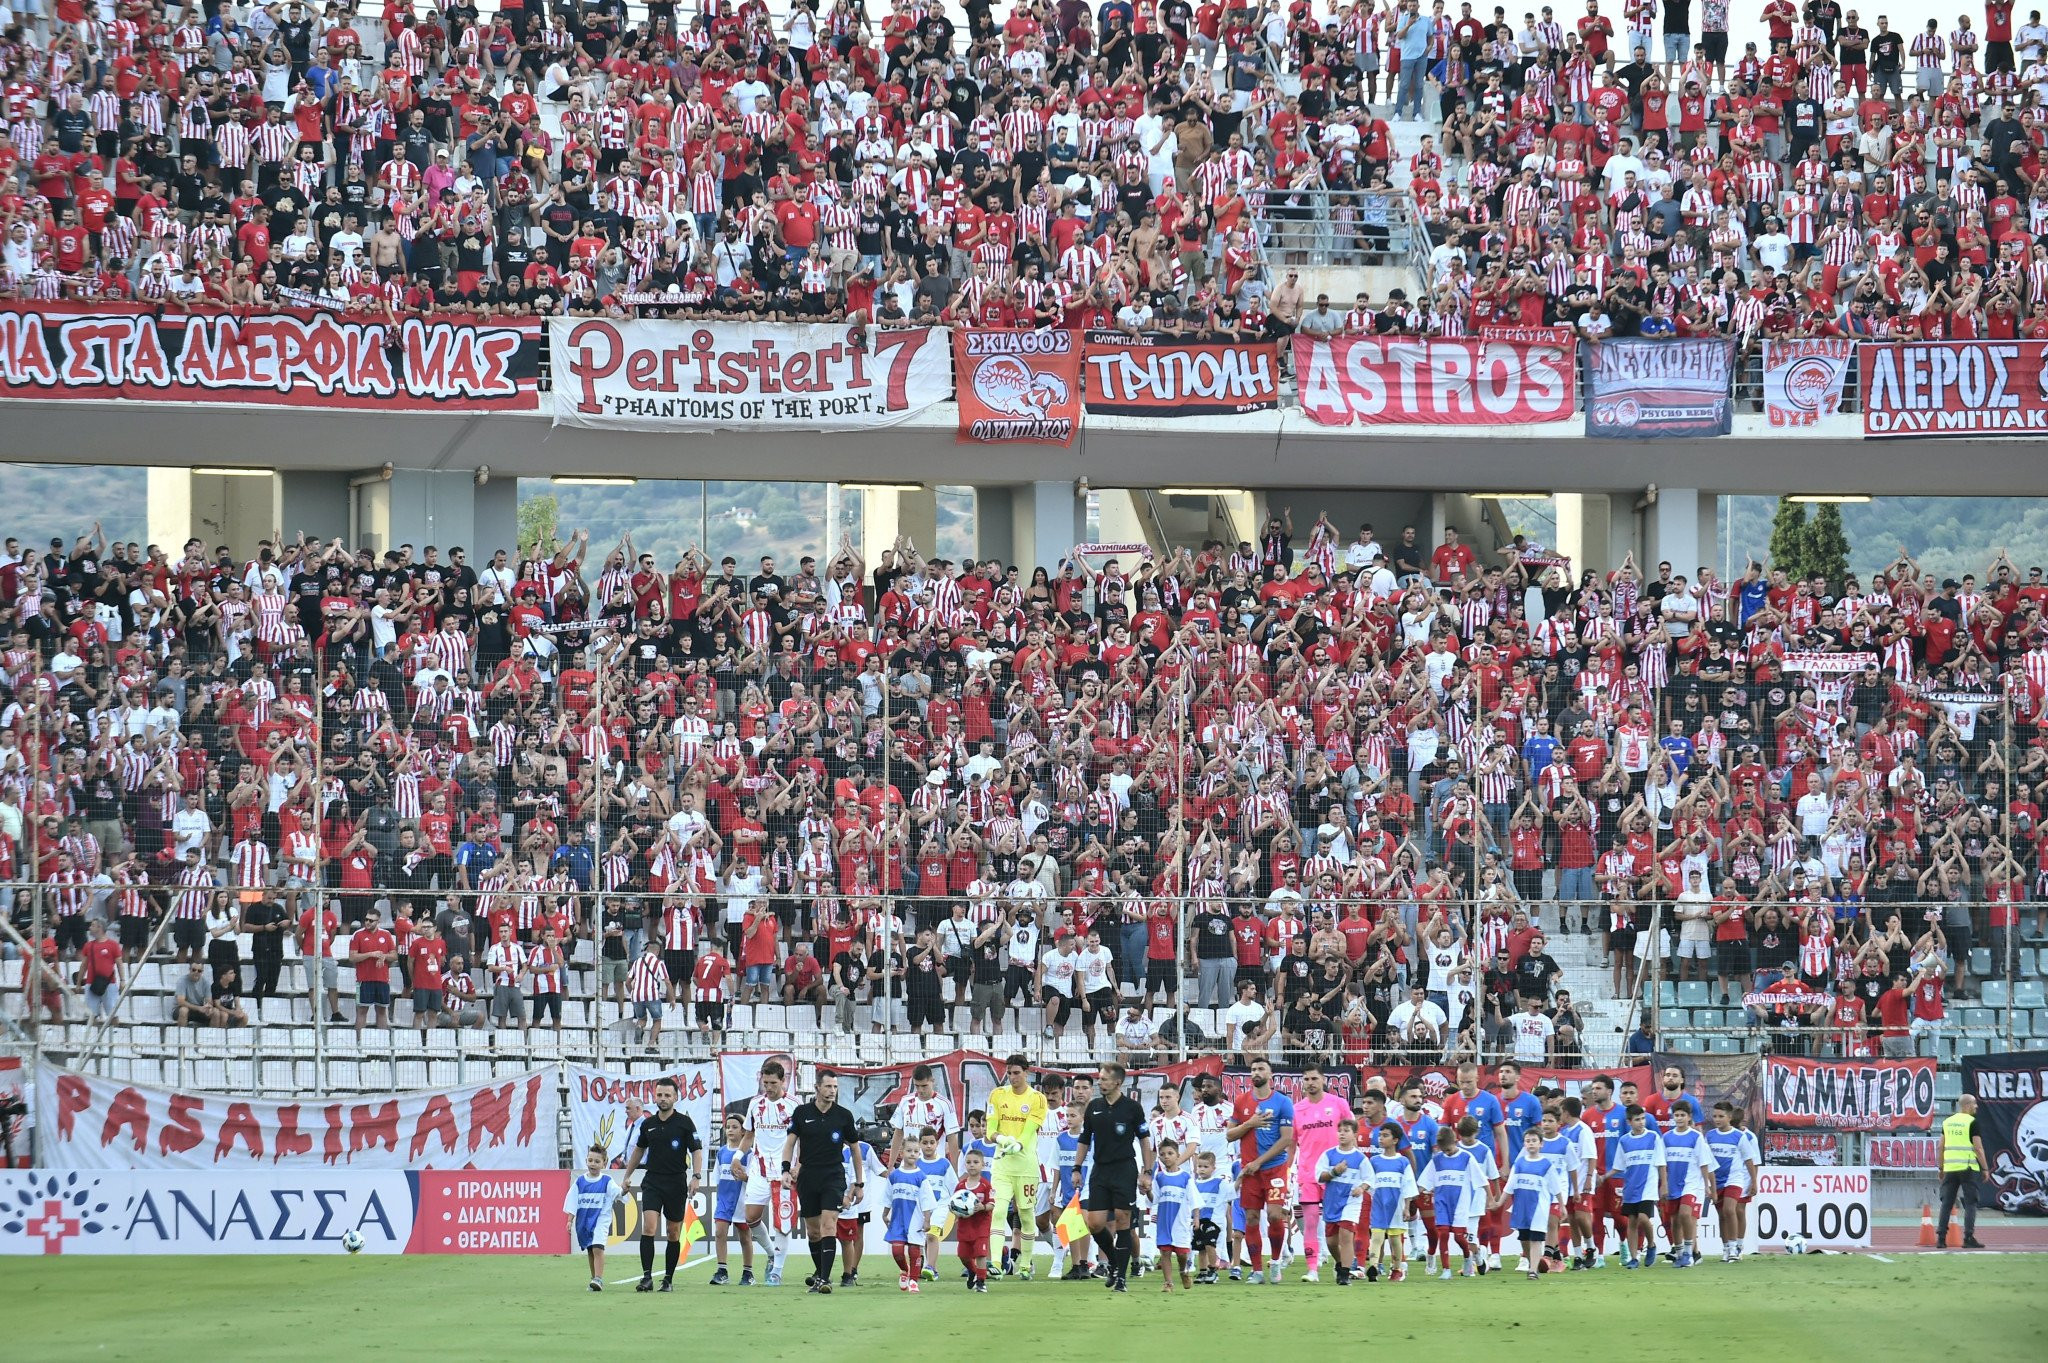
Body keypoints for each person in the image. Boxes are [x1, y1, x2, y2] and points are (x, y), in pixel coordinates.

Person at [620, 1076, 704, 1293]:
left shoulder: (684, 1123)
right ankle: (646, 1277)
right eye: (660, 1095)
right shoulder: (648, 1124)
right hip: (653, 1181)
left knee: (673, 1232)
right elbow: (639, 1149)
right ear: (654, 1097)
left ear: (675, 1097)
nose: (663, 1099)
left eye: (667, 1095)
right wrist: (627, 1175)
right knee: (648, 1227)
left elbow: (696, 1150)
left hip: (676, 1182)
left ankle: (668, 1279)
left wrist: (696, 1176)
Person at [1075, 1061, 1154, 1293]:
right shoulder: (1093, 1107)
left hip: (1124, 1169)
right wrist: (1077, 1168)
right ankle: (1114, 1264)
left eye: (1104, 1079)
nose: (1100, 1082)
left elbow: (1144, 1140)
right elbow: (1084, 1139)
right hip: (1100, 1170)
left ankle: (1121, 1277)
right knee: (1095, 1223)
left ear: (1117, 1082)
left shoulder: (1132, 1108)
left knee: (1122, 1221)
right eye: (1099, 1079)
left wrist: (1147, 1172)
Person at [787, 1069, 862, 1294]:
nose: (832, 1091)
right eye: (828, 1086)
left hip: (833, 1176)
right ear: (817, 1087)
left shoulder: (843, 1115)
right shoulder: (801, 1113)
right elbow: (790, 1143)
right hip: (808, 1176)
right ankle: (820, 1273)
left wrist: (859, 1183)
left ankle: (825, 1280)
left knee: (829, 1225)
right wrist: (785, 1169)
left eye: (835, 1087)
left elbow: (856, 1150)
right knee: (813, 1232)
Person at [1225, 1056, 1296, 1283]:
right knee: (1252, 1218)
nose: (1256, 1072)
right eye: (1253, 1069)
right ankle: (1257, 1271)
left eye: (1261, 1069)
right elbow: (1229, 1135)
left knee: (1275, 1215)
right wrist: (1250, 1124)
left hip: (1274, 1169)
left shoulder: (1283, 1103)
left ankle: (1275, 1262)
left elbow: (1286, 1140)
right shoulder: (1242, 1101)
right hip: (1250, 1172)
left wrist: (1259, 1161)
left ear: (1270, 1074)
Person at [984, 1053, 1050, 1278]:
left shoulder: (1037, 1098)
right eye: (1009, 1073)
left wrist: (1018, 1144)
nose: (1012, 1077)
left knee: (1026, 1214)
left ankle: (1025, 1264)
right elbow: (990, 1129)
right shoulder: (997, 1095)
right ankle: (994, 1263)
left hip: (1026, 1166)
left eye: (1016, 1073)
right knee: (999, 1210)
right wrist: (1002, 1140)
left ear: (1026, 1072)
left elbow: (1029, 1130)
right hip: (1002, 1164)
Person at [738, 1059, 799, 1285]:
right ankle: (772, 1254)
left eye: (773, 1082)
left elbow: (802, 1140)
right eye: (765, 1082)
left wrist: (797, 1166)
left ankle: (777, 1272)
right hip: (760, 1170)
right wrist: (737, 1157)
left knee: (782, 1222)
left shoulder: (794, 1105)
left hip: (784, 1173)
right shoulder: (755, 1104)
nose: (769, 1087)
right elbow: (749, 1134)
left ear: (783, 1081)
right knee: (751, 1217)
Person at [1496, 1128, 1567, 1281]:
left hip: (1539, 1209)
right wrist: (1500, 1202)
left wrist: (1562, 1204)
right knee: (1524, 1238)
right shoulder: (1519, 1163)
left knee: (1536, 1239)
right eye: (1528, 1141)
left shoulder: (1546, 1165)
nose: (1531, 1144)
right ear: (1524, 1144)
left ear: (1541, 1144)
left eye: (1534, 1140)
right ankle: (1531, 1263)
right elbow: (1510, 1185)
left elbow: (1556, 1187)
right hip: (1521, 1208)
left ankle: (1533, 1270)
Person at [1313, 1118, 1368, 1285]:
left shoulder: (1360, 1158)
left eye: (1346, 1131)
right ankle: (1339, 1264)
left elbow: (1369, 1179)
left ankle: (1344, 1274)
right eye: (1340, 1131)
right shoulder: (1329, 1155)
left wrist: (1362, 1188)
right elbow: (1319, 1176)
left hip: (1351, 1201)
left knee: (1346, 1235)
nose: (1342, 1133)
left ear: (1355, 1135)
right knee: (1331, 1242)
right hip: (1332, 1200)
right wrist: (1334, 1172)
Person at [1704, 1101, 1761, 1262]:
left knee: (1731, 1210)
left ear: (1729, 1117)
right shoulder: (1710, 1136)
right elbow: (1707, 1161)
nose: (1717, 1119)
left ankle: (1736, 1247)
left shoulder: (1740, 1137)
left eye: (1721, 1116)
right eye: (1715, 1116)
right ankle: (1726, 1248)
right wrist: (1709, 1184)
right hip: (1717, 1181)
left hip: (1734, 1179)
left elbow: (1750, 1160)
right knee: (1722, 1215)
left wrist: (1754, 1182)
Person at [1612, 1104, 1668, 1268]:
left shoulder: (1653, 1137)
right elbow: (1619, 1166)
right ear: (1629, 1122)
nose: (1641, 1122)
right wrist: (1605, 1176)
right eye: (1637, 1119)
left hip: (1648, 1186)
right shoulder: (1624, 1140)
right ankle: (1634, 1258)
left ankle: (1651, 1245)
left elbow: (1661, 1163)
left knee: (1643, 1218)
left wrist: (1663, 1184)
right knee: (1632, 1222)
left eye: (1643, 1118)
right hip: (1630, 1186)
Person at [1363, 1121, 1419, 1281]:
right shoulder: (1374, 1161)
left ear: (1395, 1140)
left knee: (1395, 1239)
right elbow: (1369, 1182)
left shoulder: (1402, 1162)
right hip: (1379, 1204)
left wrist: (1407, 1207)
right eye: (1380, 1135)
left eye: (1385, 1135)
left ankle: (1397, 1269)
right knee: (1377, 1236)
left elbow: (1408, 1185)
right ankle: (1373, 1267)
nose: (1381, 1138)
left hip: (1397, 1205)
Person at [565, 1144, 624, 1291]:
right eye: (590, 1160)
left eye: (597, 1161)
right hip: (584, 1221)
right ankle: (594, 1279)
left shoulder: (606, 1181)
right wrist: (569, 1220)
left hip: (600, 1220)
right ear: (586, 1160)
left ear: (604, 1163)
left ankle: (598, 1279)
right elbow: (572, 1201)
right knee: (591, 1249)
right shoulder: (580, 1182)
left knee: (598, 1247)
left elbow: (617, 1193)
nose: (593, 1164)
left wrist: (625, 1190)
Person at [1935, 1093, 1988, 1249]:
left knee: (1947, 1203)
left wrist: (1941, 1167)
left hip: (1950, 1169)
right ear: (1966, 1106)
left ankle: (1941, 1239)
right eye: (1974, 1104)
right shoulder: (1972, 1122)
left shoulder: (1948, 1122)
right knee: (1971, 1203)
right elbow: (1978, 1148)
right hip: (1967, 1167)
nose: (1976, 1106)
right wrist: (1985, 1168)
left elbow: (1940, 1146)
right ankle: (1968, 1238)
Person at [885, 1145, 936, 1292]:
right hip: (897, 1220)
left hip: (916, 1219)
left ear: (918, 1154)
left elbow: (927, 1200)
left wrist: (927, 1219)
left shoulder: (921, 1177)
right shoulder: (894, 1175)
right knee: (897, 1251)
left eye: (915, 1152)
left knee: (914, 1250)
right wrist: (884, 1214)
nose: (912, 1154)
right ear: (902, 1153)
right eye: (909, 1151)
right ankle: (904, 1270)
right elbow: (888, 1196)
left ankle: (913, 1281)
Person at [707, 1113, 750, 1285]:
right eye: (728, 1127)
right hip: (724, 1201)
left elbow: (754, 1178)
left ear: (743, 1131)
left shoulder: (749, 1153)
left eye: (735, 1127)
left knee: (745, 1237)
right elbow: (716, 1178)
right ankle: (722, 1270)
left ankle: (748, 1272)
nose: (730, 1130)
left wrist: (744, 1177)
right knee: (719, 1233)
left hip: (742, 1201)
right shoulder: (722, 1152)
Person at [1152, 1139, 1197, 1292]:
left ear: (1178, 1155)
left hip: (1180, 1222)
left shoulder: (1185, 1177)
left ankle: (1183, 1271)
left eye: (1170, 1153)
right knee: (1165, 1252)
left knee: (1181, 1254)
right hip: (1164, 1222)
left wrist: (1196, 1217)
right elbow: (1154, 1199)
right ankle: (1168, 1283)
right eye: (1162, 1154)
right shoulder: (1159, 1177)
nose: (1166, 1157)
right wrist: (1147, 1193)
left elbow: (1194, 1199)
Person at [950, 1147, 995, 1291]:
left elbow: (992, 1204)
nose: (972, 1165)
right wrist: (956, 1213)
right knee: (963, 1255)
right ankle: (973, 1271)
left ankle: (981, 1282)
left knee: (980, 1254)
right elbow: (955, 1204)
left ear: (982, 1165)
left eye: (976, 1162)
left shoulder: (986, 1185)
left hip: (981, 1225)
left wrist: (983, 1207)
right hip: (965, 1226)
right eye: (968, 1162)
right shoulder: (961, 1186)